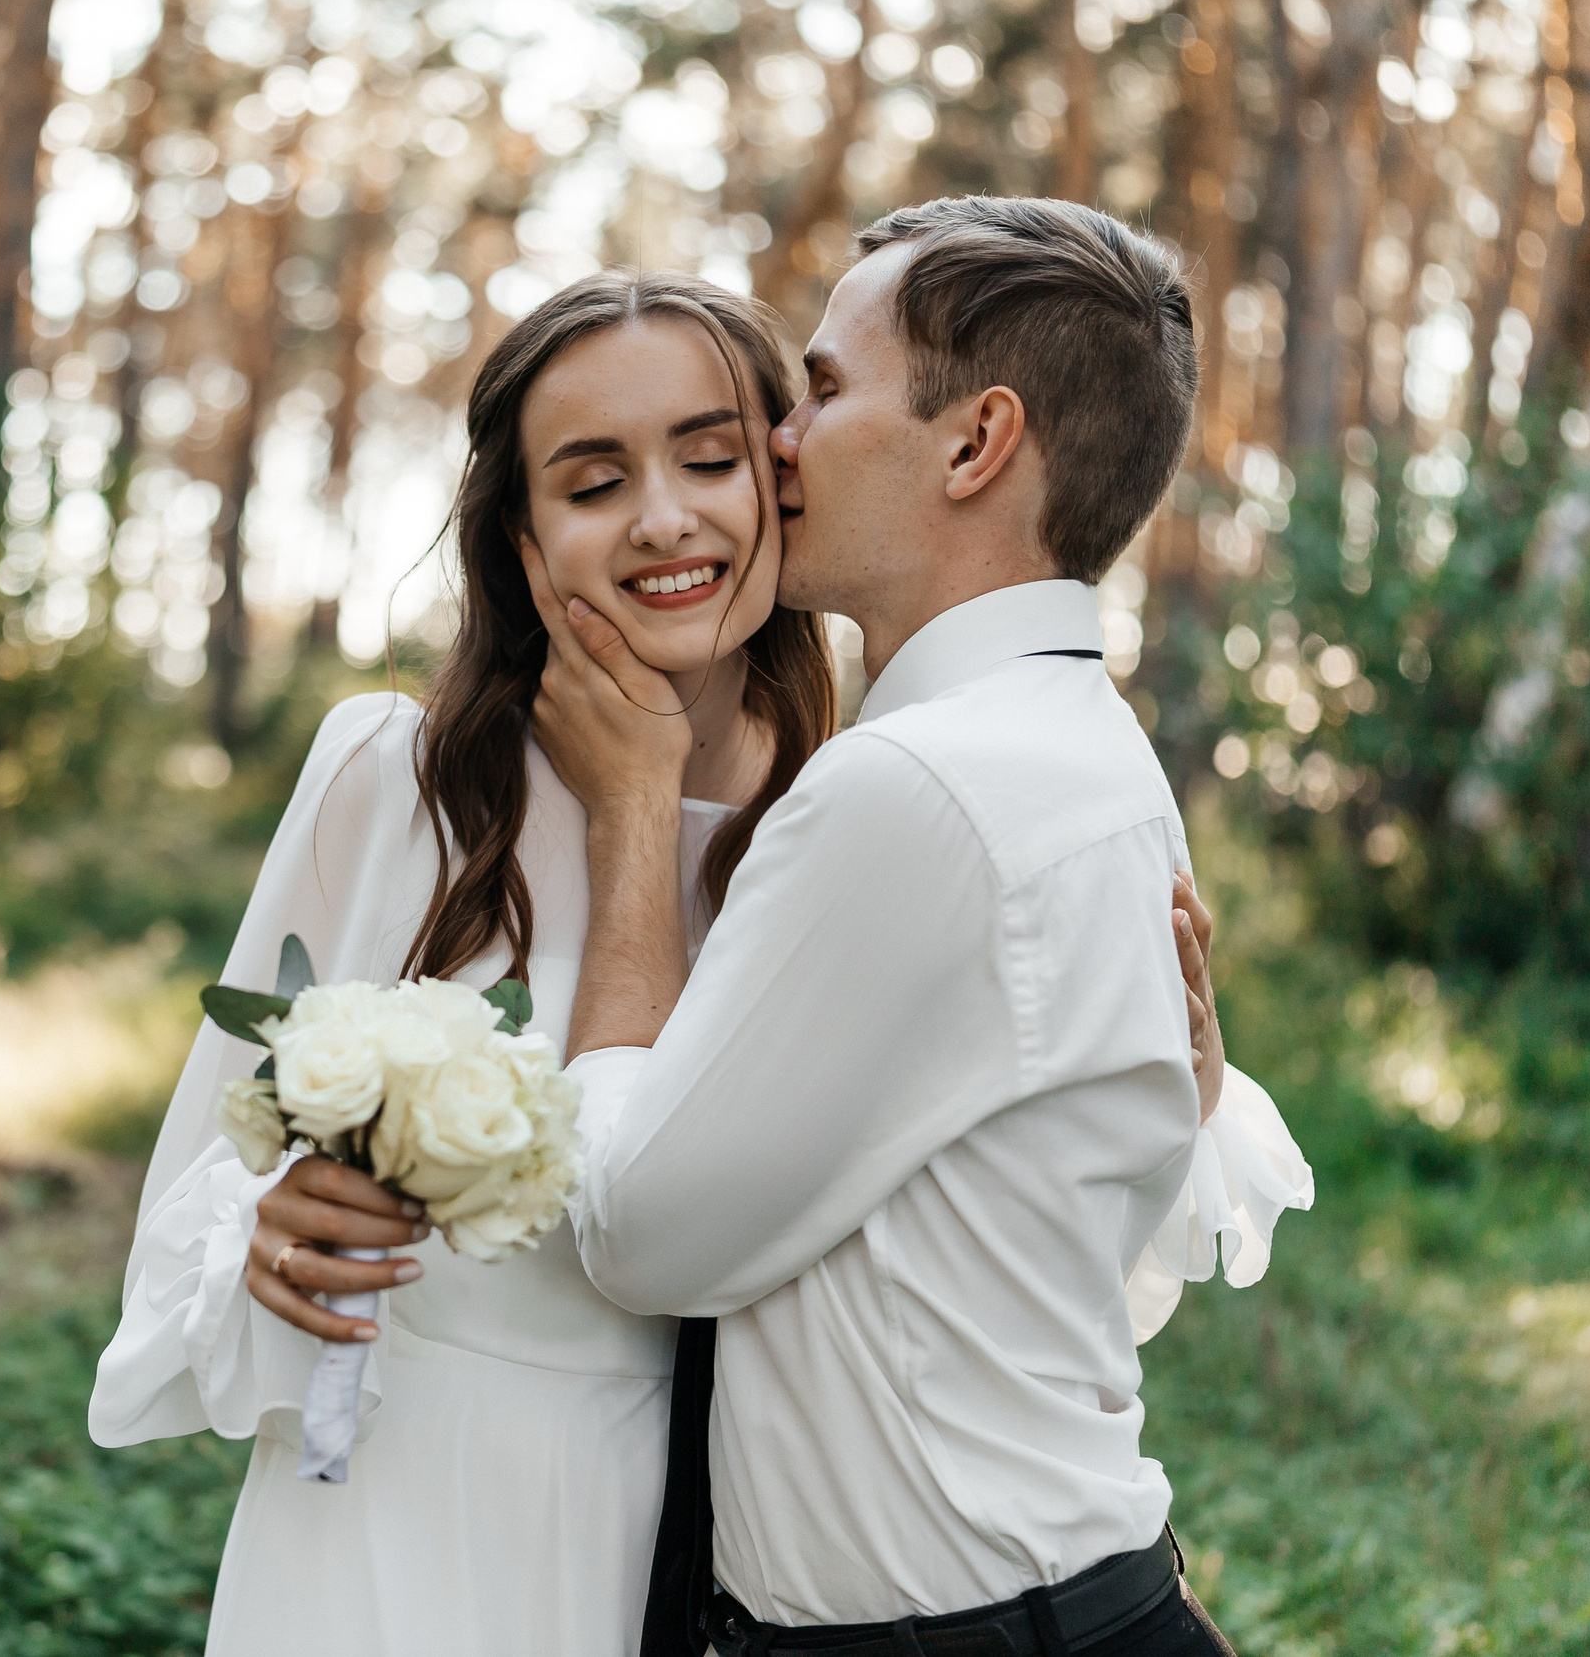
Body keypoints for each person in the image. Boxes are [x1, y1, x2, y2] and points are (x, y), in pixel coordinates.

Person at [88, 266, 1301, 1657]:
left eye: (713, 459)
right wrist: (264, 1235)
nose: (665, 520)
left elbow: (1007, 1218)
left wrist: (1181, 1073)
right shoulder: (393, 780)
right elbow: (195, 1192)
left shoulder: (859, 823)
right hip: (405, 1540)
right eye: (592, 482)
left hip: (712, 1576)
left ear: (781, 477)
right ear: (524, 536)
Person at [531, 198, 1303, 1657]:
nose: (772, 438)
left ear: (975, 442)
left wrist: (634, 820)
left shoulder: (914, 787)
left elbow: (637, 1237)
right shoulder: (1096, 751)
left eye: (821, 389)